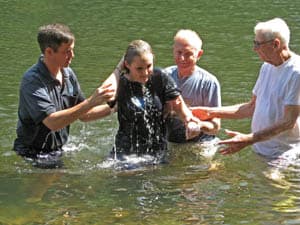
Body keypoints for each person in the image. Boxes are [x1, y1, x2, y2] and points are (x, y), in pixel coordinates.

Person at [195, 18, 300, 160]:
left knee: (272, 181)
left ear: (276, 44)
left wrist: (248, 139)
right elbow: (252, 107)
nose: (254, 49)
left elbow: (288, 122)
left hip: (285, 153)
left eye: (258, 44)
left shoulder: (296, 72)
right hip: (260, 147)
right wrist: (209, 112)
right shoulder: (266, 66)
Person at [13, 23, 115, 168]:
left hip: (56, 151)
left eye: (72, 50)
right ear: (49, 52)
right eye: (66, 51)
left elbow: (84, 115)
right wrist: (91, 101)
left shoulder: (68, 74)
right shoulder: (32, 82)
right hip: (33, 154)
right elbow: (52, 123)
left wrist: (117, 106)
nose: (72, 56)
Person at [106, 40, 211, 159]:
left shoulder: (160, 77)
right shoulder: (119, 83)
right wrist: (118, 68)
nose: (145, 73)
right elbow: (105, 96)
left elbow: (179, 106)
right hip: (124, 152)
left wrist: (189, 120)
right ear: (127, 65)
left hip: (156, 153)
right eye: (139, 68)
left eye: (149, 66)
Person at [164, 29, 221, 143]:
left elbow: (216, 126)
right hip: (170, 138)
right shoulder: (164, 76)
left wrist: (199, 125)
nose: (182, 58)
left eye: (188, 54)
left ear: (199, 54)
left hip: (201, 141)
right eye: (179, 52)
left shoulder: (209, 82)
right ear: (173, 51)